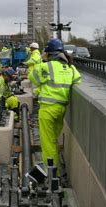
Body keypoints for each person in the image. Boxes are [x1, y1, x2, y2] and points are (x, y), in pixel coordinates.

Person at [28, 38, 81, 172]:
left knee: (47, 143)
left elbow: (33, 77)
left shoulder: (47, 66)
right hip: (61, 109)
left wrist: (42, 60)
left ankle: (52, 173)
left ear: (48, 53)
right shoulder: (70, 67)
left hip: (47, 110)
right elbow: (77, 80)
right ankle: (53, 170)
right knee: (53, 140)